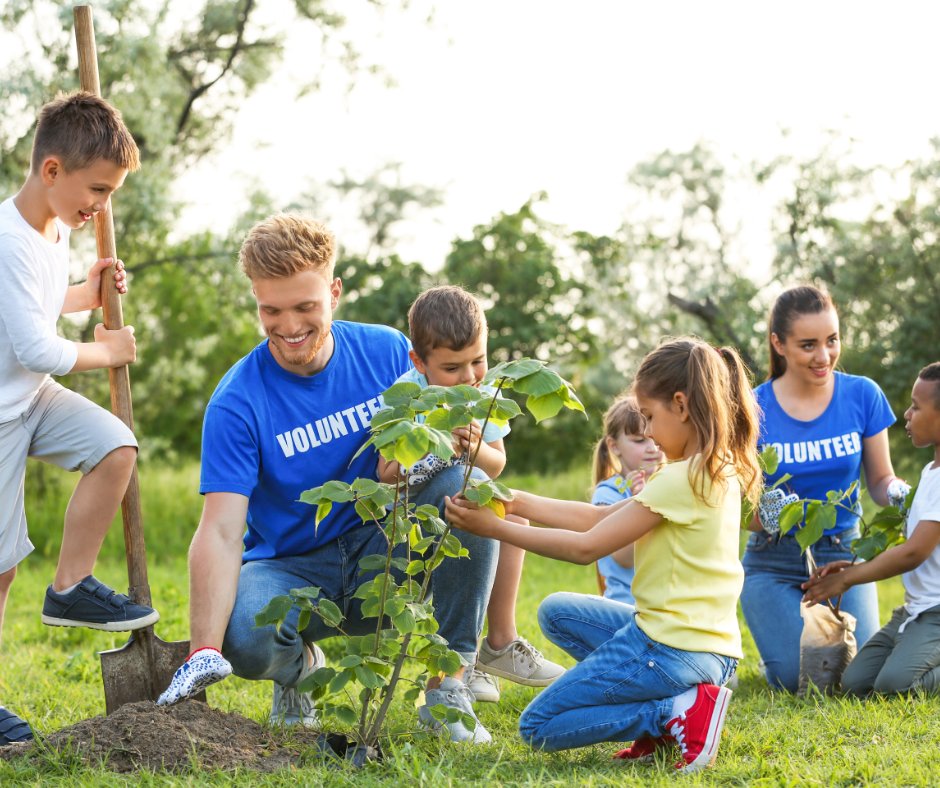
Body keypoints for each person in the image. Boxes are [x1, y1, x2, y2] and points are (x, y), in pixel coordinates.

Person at [157, 217, 499, 744]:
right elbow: (221, 532)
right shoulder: (237, 402)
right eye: (271, 310)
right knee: (243, 634)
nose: (289, 325)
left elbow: (470, 443)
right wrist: (204, 649)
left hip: (385, 547)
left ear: (334, 293)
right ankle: (300, 672)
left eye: (305, 307)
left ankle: (449, 683)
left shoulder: (388, 353)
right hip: (293, 568)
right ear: (256, 300)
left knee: (467, 483)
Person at [446, 337, 761, 773]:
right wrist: (512, 500)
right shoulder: (712, 468)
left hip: (670, 647)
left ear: (682, 405)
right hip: (710, 650)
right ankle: (677, 708)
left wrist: (495, 528)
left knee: (539, 725)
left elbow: (586, 547)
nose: (647, 432)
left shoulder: (678, 480)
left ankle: (670, 715)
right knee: (558, 612)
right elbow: (602, 516)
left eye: (649, 417)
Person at [0, 92, 156, 746]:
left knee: (115, 447)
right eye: (97, 188)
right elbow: (35, 347)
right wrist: (106, 349)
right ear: (53, 170)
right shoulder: (6, 239)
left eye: (112, 192)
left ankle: (69, 585)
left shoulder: (54, 227)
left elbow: (37, 309)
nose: (102, 205)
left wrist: (86, 292)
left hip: (29, 396)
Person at [377, 285, 564, 705]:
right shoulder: (405, 398)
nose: (468, 377)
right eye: (452, 367)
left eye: (478, 361)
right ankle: (458, 667)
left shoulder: (483, 395)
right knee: (477, 496)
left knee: (512, 516)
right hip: (410, 526)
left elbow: (496, 463)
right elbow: (386, 473)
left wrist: (476, 448)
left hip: (463, 511)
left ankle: (497, 644)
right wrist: (436, 440)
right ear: (419, 363)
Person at [741, 285, 908, 693]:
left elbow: (881, 481)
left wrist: (905, 495)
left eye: (832, 340)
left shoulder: (862, 395)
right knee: (793, 679)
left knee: (854, 677)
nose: (824, 356)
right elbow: (741, 509)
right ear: (778, 344)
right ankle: (779, 648)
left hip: (845, 557)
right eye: (808, 344)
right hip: (773, 562)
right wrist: (767, 514)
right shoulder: (752, 408)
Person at [802, 362, 940, 694]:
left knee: (896, 687)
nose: (906, 414)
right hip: (914, 609)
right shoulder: (929, 471)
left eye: (916, 408)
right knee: (854, 683)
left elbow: (913, 553)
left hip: (936, 612)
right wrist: (855, 565)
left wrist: (848, 579)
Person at [591, 395, 663, 604]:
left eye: (656, 438)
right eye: (639, 440)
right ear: (614, 446)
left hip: (663, 608)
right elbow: (624, 558)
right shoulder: (608, 494)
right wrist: (640, 500)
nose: (652, 448)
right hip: (626, 607)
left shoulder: (668, 482)